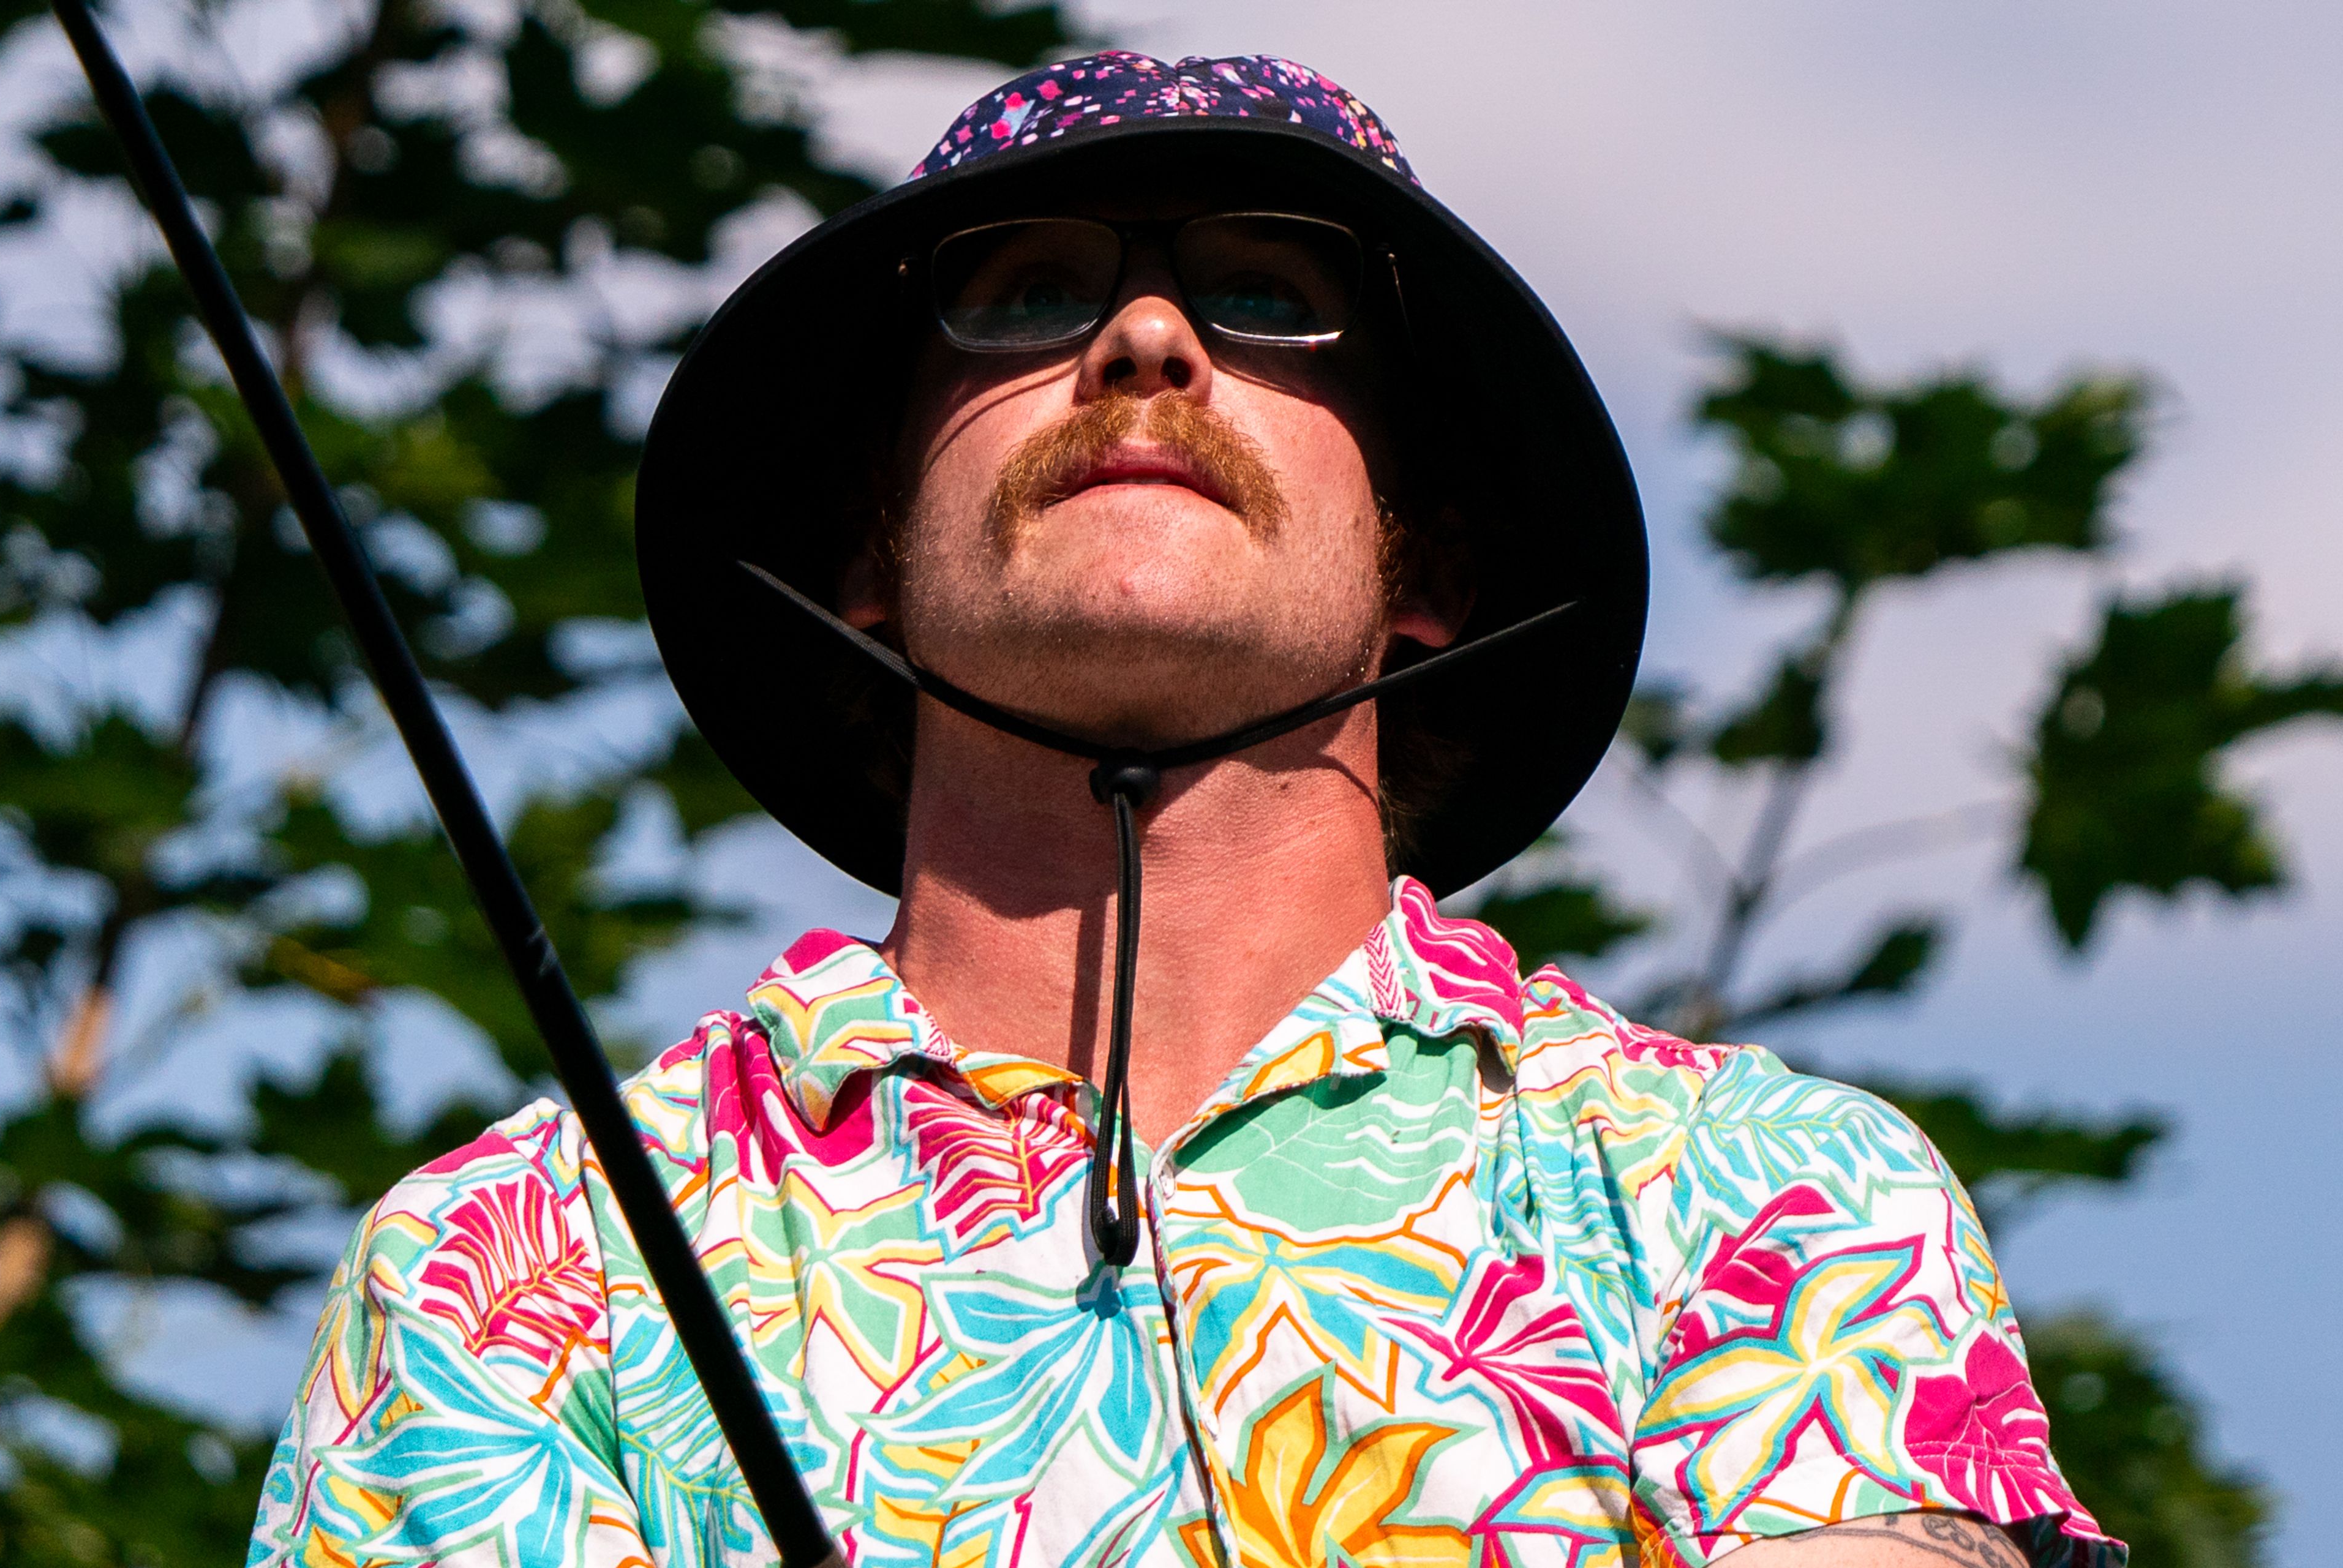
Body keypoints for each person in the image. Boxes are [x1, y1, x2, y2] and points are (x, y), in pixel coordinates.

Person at [249, 53, 2121, 1568]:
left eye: (1265, 293)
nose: (1144, 335)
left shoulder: (1768, 1197)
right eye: (1028, 292)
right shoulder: (517, 1265)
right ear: (868, 563)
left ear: (1429, 567)